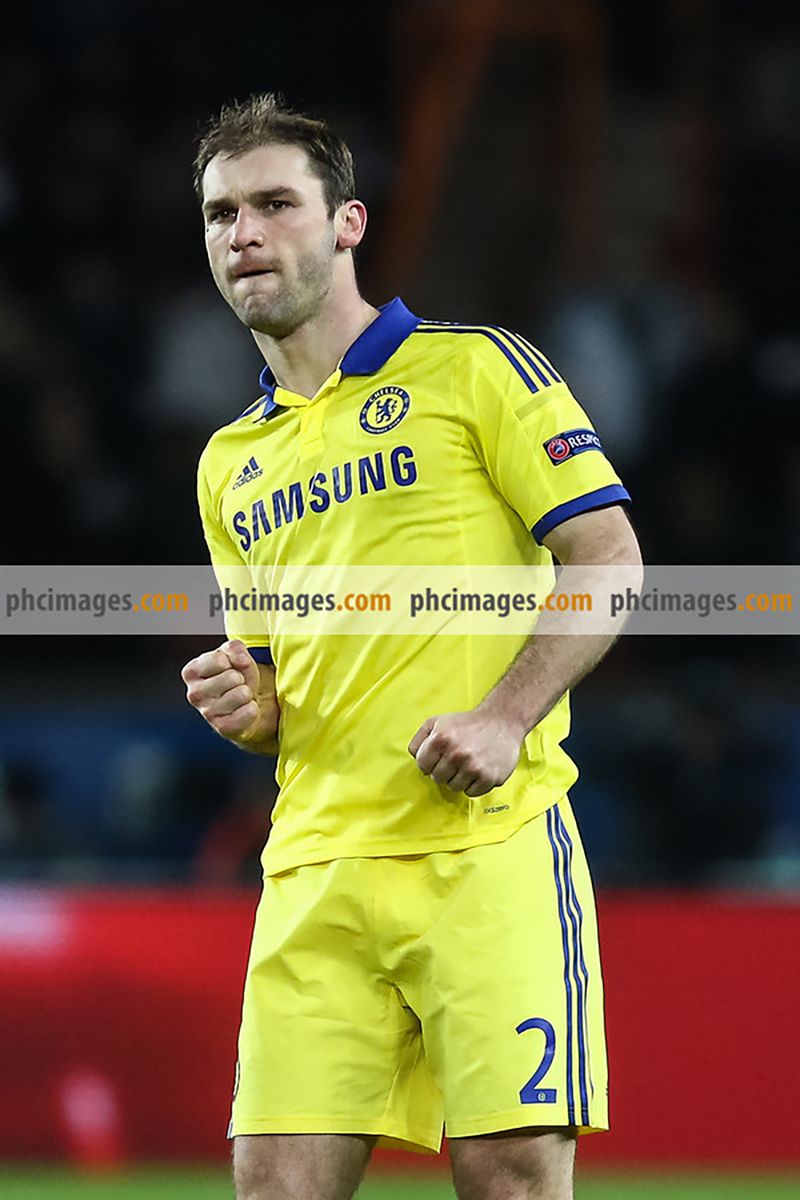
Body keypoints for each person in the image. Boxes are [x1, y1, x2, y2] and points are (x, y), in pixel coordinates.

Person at [182, 93, 642, 1200]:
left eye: (275, 204)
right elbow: (277, 688)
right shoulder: (227, 462)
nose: (243, 234)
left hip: (486, 851)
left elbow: (609, 560)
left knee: (512, 1181)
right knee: (272, 1190)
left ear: (347, 224)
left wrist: (502, 716)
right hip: (313, 867)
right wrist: (251, 705)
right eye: (218, 214)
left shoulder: (478, 371)